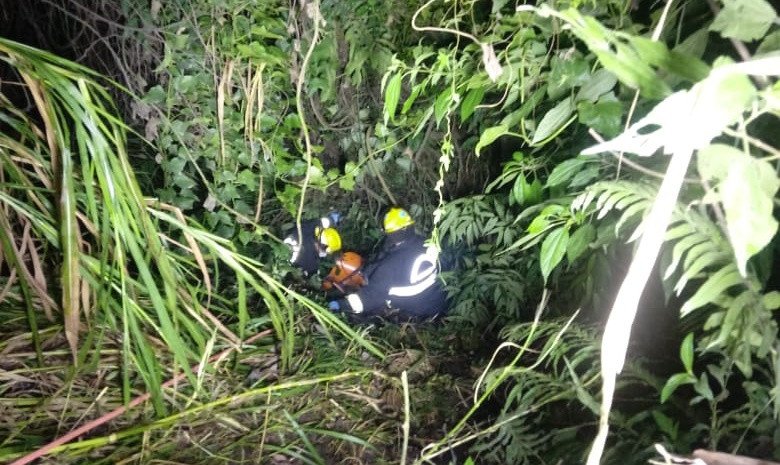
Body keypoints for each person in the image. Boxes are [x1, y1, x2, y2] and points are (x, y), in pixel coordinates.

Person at [327, 207, 447, 322]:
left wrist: (340, 305)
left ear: (389, 233)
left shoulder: (389, 268)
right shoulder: (426, 242)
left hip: (418, 313)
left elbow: (367, 300)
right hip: (439, 301)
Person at [282, 212, 342, 277]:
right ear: (324, 247)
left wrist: (331, 219)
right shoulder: (311, 263)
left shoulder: (306, 229)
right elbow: (313, 276)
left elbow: (318, 223)